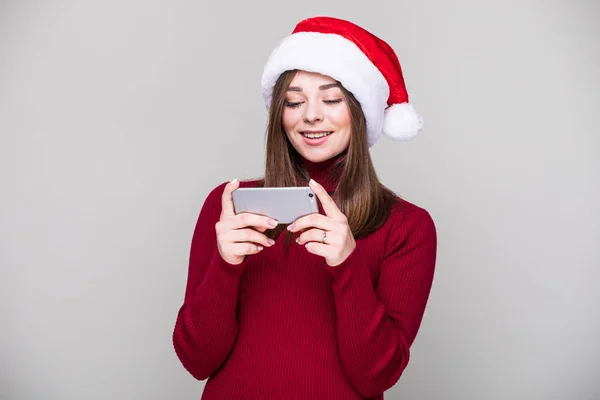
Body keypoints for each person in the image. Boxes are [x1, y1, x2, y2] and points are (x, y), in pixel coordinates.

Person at [172, 16, 437, 400]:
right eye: (295, 101)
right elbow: (197, 360)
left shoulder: (406, 227)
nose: (311, 114)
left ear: (361, 112)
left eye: (331, 99)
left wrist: (347, 266)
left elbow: (375, 376)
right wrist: (225, 268)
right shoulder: (228, 206)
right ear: (280, 112)